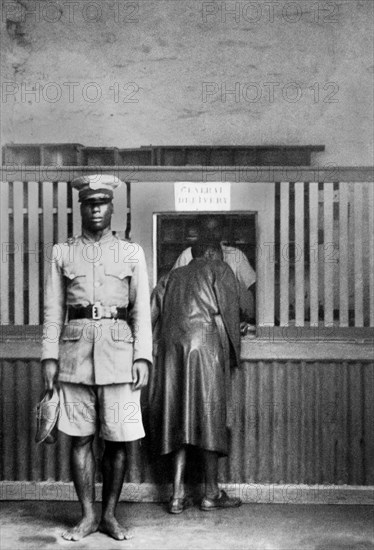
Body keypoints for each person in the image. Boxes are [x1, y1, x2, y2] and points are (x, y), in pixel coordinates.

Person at [41, 174, 152, 541]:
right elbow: (53, 312)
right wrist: (48, 359)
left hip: (120, 361)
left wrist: (143, 357)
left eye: (102, 202)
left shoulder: (131, 253)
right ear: (81, 207)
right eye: (90, 203)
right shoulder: (63, 252)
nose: (97, 209)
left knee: (119, 441)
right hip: (74, 361)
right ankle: (87, 515)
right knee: (80, 440)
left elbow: (141, 312)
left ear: (112, 206)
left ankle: (110, 515)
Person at [149, 242, 246, 514]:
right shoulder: (219, 268)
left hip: (171, 352)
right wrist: (236, 335)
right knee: (210, 417)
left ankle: (177, 495)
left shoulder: (171, 276)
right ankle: (211, 493)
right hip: (205, 348)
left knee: (178, 418)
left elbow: (148, 316)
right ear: (212, 254)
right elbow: (236, 308)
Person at [172, 215, 256, 321]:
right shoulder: (187, 255)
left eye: (216, 229)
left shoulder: (235, 255)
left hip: (230, 321)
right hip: (195, 320)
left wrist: (259, 318)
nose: (210, 234)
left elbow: (255, 286)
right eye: (206, 229)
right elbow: (171, 288)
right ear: (199, 231)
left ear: (222, 231)